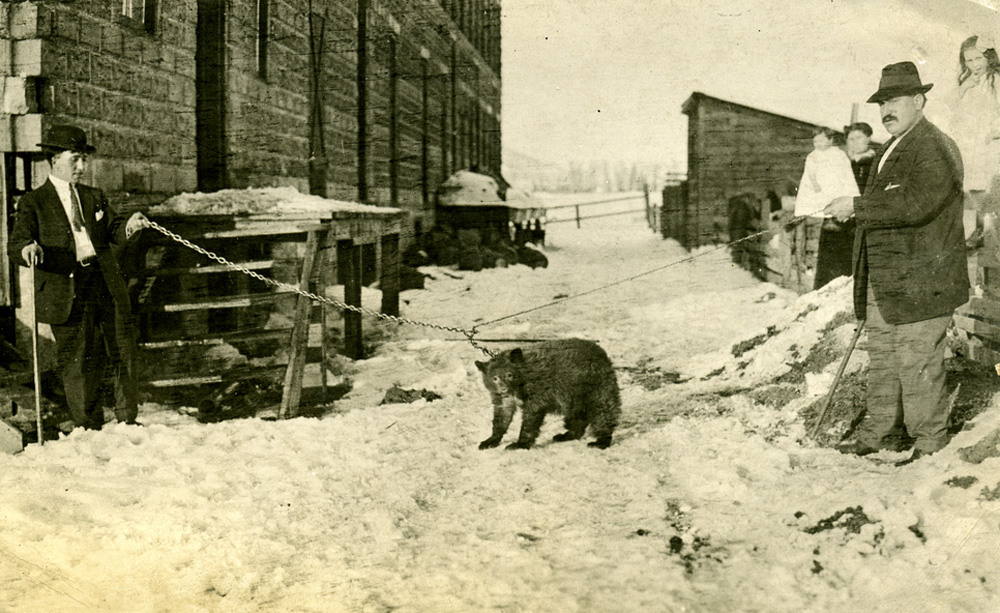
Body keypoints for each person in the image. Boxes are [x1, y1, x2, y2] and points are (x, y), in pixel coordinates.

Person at [825, 62, 969, 466]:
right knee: (884, 356)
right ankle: (879, 432)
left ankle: (929, 443)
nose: (886, 110)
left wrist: (856, 206)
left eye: (895, 101)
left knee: (918, 359)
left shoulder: (933, 146)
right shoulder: (891, 147)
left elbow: (917, 203)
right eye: (882, 102)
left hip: (923, 277)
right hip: (886, 277)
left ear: (919, 101)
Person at [7, 125, 149, 431]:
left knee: (123, 348)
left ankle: (127, 420)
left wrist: (130, 226)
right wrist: (28, 248)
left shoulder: (93, 196)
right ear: (54, 159)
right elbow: (16, 244)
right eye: (75, 159)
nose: (82, 167)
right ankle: (88, 427)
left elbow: (113, 229)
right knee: (79, 361)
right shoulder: (35, 202)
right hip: (65, 287)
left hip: (103, 282)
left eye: (84, 159)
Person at [794, 126, 859, 289]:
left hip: (836, 186)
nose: (818, 144)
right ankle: (822, 212)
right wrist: (816, 184)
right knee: (818, 203)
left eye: (822, 140)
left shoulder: (838, 154)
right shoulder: (813, 156)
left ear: (830, 140)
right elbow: (810, 173)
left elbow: (845, 173)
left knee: (838, 199)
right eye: (815, 141)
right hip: (820, 188)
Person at [951, 34, 1000, 247]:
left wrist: (995, 131)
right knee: (976, 189)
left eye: (978, 59)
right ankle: (982, 229)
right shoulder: (967, 82)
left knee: (992, 188)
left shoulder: (996, 80)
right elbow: (953, 111)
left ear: (989, 57)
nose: (974, 65)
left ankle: (988, 232)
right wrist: (964, 88)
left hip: (993, 144)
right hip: (973, 145)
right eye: (969, 61)